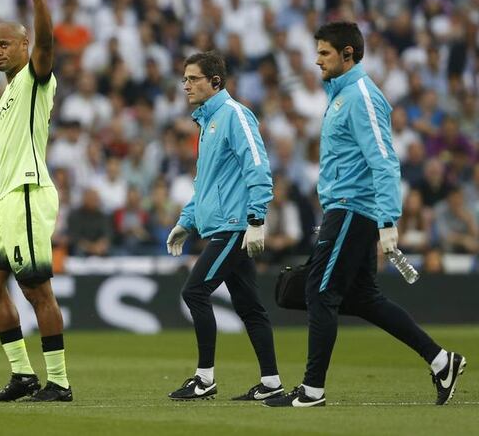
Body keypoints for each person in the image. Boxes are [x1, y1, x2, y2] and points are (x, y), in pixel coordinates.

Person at [265, 21, 466, 408]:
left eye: (324, 53)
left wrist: (389, 220)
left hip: (353, 209)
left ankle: (312, 390)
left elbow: (385, 161)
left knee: (320, 292)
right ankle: (442, 361)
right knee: (363, 298)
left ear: (348, 54)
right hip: (346, 209)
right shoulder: (342, 94)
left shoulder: (360, 94)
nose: (316, 60)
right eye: (318, 51)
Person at [0, 0, 71, 403]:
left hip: (29, 193)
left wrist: (39, 0)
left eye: (5, 45)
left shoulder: (35, 80)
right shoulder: (8, 94)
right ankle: (23, 376)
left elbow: (48, 46)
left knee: (36, 290)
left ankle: (59, 382)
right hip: (7, 199)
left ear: (23, 45)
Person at [166, 50, 283, 401]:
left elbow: (258, 166)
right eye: (184, 78)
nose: (186, 85)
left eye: (193, 78)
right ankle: (272, 383)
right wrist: (185, 222)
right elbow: (204, 183)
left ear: (215, 82)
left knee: (194, 292)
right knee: (249, 308)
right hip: (223, 226)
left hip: (234, 226)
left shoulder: (234, 115)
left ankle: (204, 379)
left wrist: (257, 218)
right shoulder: (207, 122)